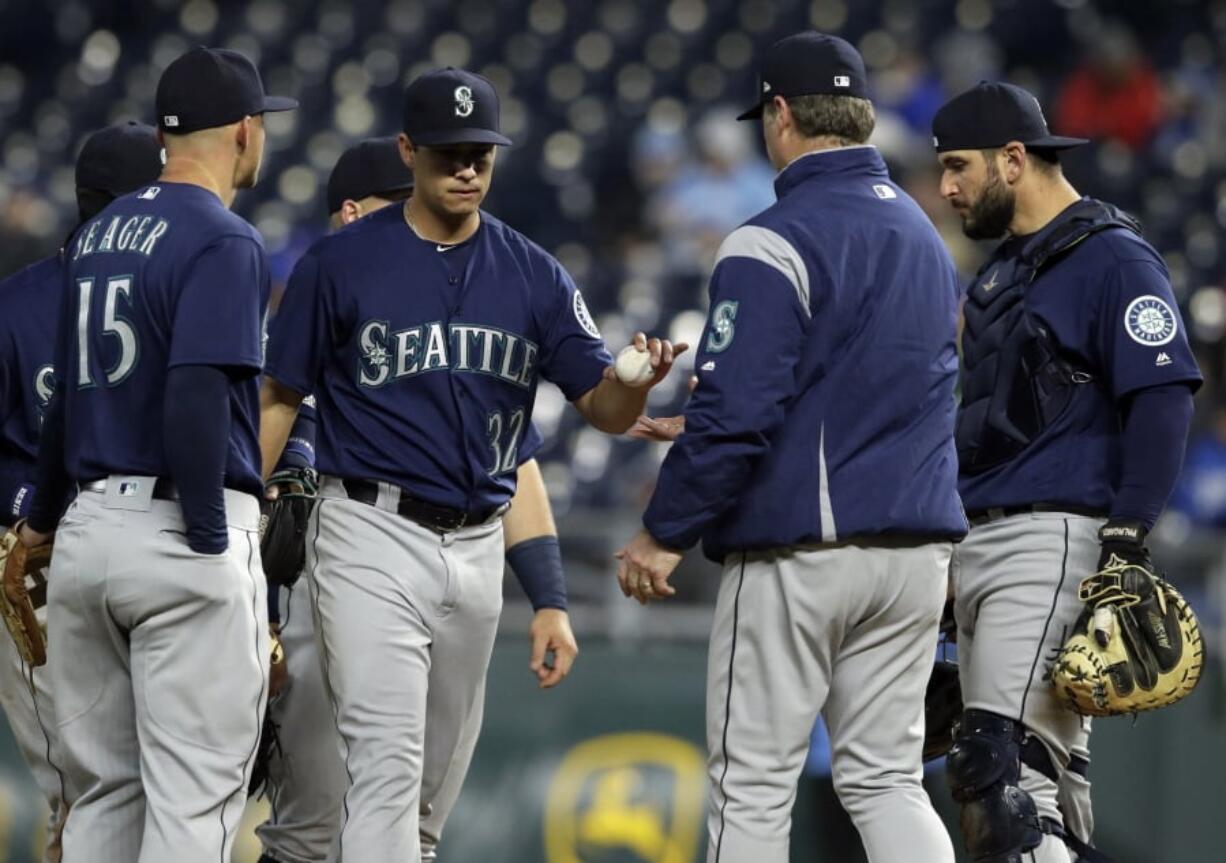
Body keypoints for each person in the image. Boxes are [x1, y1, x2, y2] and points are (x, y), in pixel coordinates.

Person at [258, 67, 685, 862]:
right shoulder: (342, 263)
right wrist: (238, 525)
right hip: (368, 531)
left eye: (480, 154)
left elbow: (601, 407)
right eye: (450, 152)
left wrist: (634, 387)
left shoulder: (532, 272)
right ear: (409, 150)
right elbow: (280, 396)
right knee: (385, 771)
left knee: (427, 804)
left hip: (479, 547)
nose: (466, 169)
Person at [614, 31, 965, 863]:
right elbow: (848, 380)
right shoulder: (926, 237)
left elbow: (740, 413)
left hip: (804, 553)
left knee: (753, 784)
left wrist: (663, 532)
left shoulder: (769, 239)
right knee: (886, 780)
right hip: (916, 553)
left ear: (779, 116)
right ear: (863, 115)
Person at [255, 136, 580, 863]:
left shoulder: (442, 345)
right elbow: (247, 469)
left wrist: (550, 596)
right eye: (398, 206)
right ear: (350, 216)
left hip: (433, 567)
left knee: (412, 814)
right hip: (315, 584)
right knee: (313, 822)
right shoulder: (318, 319)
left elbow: (516, 464)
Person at [14, 46, 296, 861]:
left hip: (87, 536)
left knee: (103, 800)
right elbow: (197, 394)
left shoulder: (99, 234)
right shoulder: (224, 237)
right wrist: (208, 538)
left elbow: (65, 398)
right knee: (192, 807)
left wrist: (39, 517)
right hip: (181, 534)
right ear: (245, 133)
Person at [932, 81, 1201, 863]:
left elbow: (1162, 394)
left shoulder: (1111, 256)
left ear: (1013, 159)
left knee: (1000, 770)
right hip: (984, 541)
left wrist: (1128, 532)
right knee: (1041, 788)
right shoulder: (999, 275)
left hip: (1053, 538)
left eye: (958, 166)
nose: (946, 187)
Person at [0, 120, 163, 863]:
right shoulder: (17, 307)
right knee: (81, 792)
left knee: (167, 789)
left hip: (155, 553)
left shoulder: (172, 296)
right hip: (41, 562)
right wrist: (24, 519)